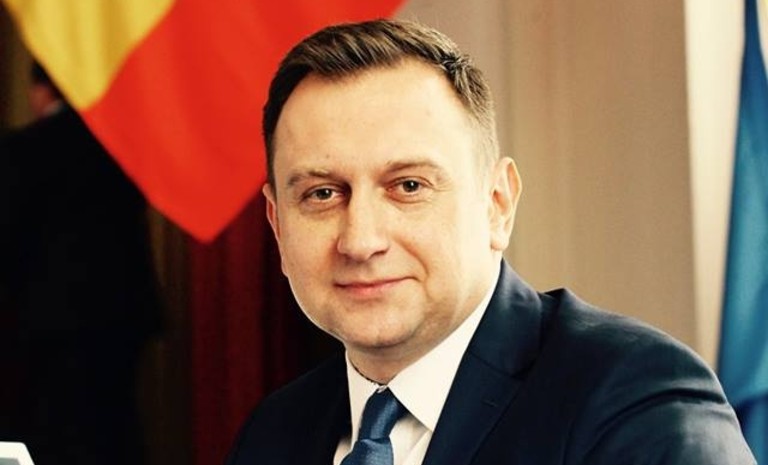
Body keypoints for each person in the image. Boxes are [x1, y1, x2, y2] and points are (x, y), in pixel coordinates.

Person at [224, 19, 755, 465]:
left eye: (408, 186)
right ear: (278, 224)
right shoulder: (272, 435)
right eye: (322, 194)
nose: (361, 241)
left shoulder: (633, 398)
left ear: (498, 204)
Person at [0, 62, 162, 465]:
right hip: (124, 315)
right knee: (116, 430)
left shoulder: (22, 149)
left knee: (59, 437)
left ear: (40, 91)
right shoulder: (121, 147)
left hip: (51, 323)